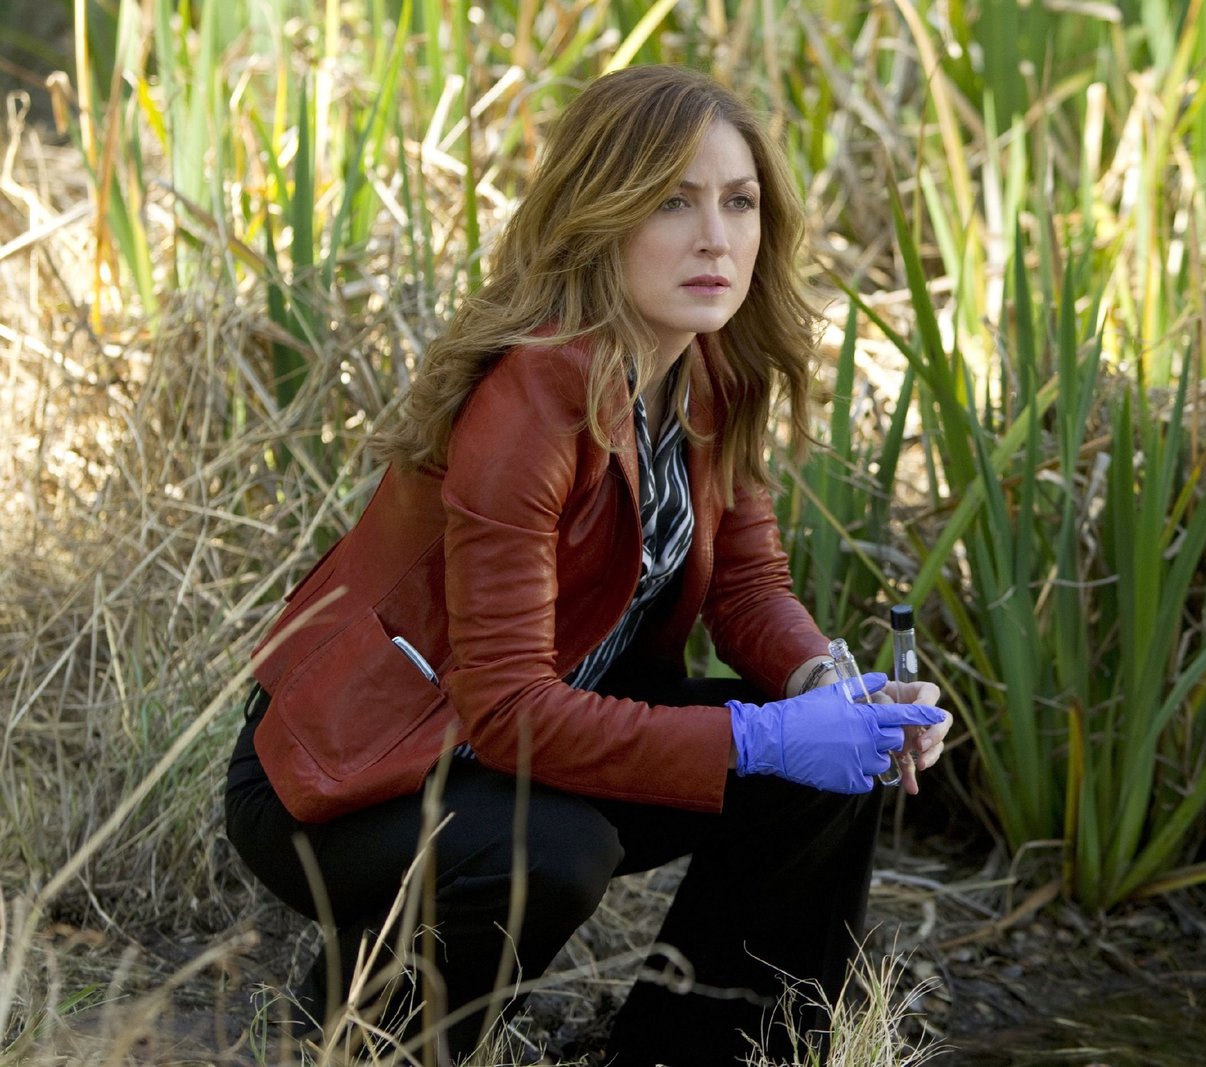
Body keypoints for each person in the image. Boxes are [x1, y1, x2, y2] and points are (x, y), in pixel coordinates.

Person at [223, 64, 951, 1066]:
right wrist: (762, 734)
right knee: (555, 855)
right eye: (672, 202)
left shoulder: (708, 369)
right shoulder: (530, 400)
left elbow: (747, 589)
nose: (716, 237)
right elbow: (507, 711)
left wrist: (827, 686)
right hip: (353, 779)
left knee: (834, 770)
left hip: (528, 753)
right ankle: (369, 1035)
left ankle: (697, 1054)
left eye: (739, 202)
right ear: (600, 216)